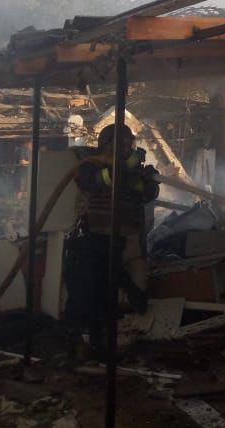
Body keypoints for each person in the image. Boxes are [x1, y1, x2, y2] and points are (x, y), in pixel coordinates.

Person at [63, 123, 159, 358]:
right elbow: (94, 182)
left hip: (128, 238)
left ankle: (106, 341)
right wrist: (122, 170)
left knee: (115, 292)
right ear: (107, 144)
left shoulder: (132, 170)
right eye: (121, 142)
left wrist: (148, 180)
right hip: (96, 238)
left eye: (129, 142)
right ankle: (87, 342)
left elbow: (146, 194)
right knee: (95, 291)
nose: (127, 147)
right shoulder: (90, 165)